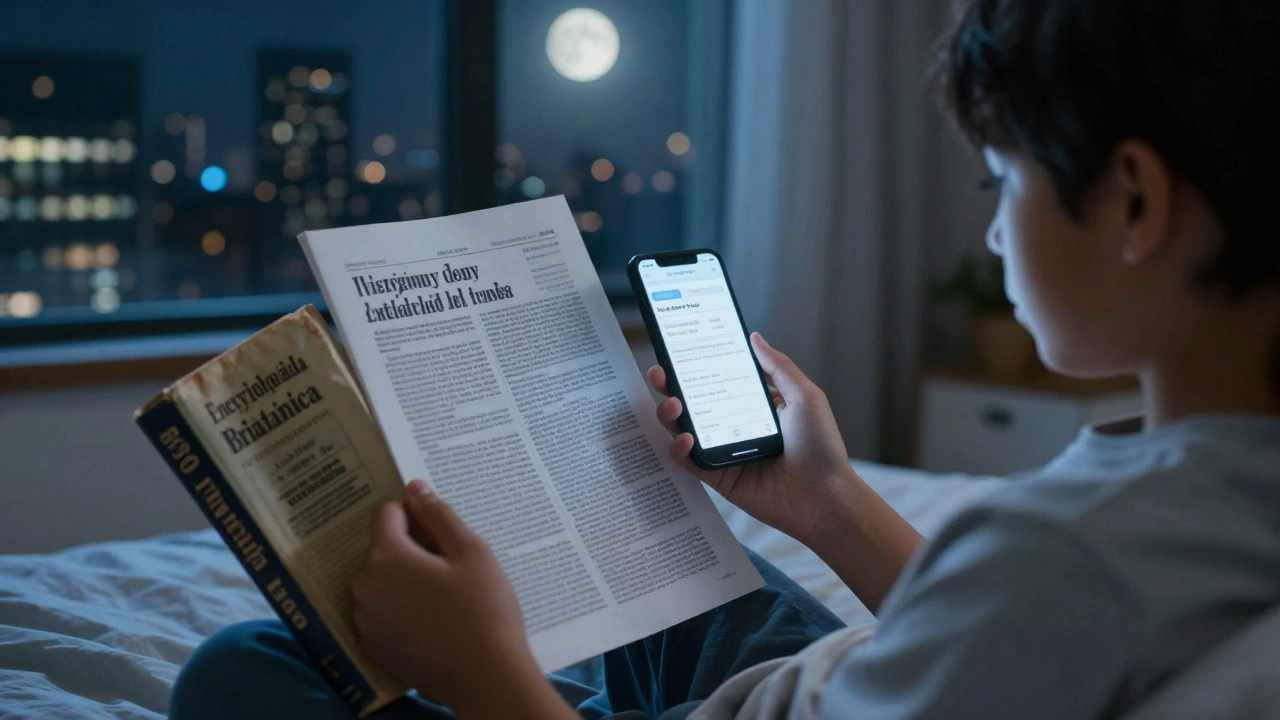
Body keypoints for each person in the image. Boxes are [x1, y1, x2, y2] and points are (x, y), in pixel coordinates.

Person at [168, 0, 1280, 717]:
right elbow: (1018, 656)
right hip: (805, 688)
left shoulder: (1064, 555)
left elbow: (1034, 609)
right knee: (661, 575)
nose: (990, 229)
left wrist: (488, 679)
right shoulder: (1200, 508)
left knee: (237, 675)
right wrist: (830, 501)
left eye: (1001, 182)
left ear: (1131, 199)